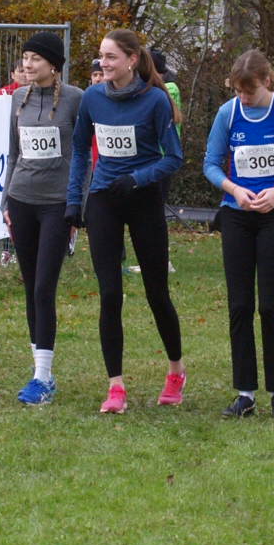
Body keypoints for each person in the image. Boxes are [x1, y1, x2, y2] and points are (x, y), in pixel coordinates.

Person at [66, 28, 185, 413]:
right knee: (110, 293)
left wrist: (137, 178)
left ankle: (176, 371)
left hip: (143, 197)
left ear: (132, 60)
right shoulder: (93, 98)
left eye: (111, 57)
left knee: (156, 292)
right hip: (104, 198)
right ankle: (115, 386)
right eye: (101, 56)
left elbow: (174, 157)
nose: (103, 63)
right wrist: (75, 201)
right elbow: (80, 150)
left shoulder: (155, 100)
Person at [203, 49, 274, 420]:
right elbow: (210, 164)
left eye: (249, 90)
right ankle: (245, 393)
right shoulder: (227, 113)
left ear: (266, 81)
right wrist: (235, 190)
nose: (244, 97)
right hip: (236, 217)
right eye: (238, 91)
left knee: (270, 304)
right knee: (239, 304)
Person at [3, 31, 83, 405]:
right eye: (25, 58)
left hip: (56, 204)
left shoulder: (75, 99)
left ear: (54, 64)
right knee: (30, 285)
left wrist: (78, 202)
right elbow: (13, 152)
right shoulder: (18, 97)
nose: (28, 64)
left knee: (43, 287)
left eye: (35, 58)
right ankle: (40, 371)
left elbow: (83, 154)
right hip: (21, 199)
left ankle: (43, 377)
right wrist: (5, 199)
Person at [0, 62, 30, 267]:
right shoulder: (2, 95)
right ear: (13, 74)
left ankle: (13, 251)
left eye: (26, 70)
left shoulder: (36, 94)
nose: (25, 75)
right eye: (20, 71)